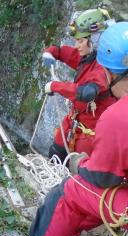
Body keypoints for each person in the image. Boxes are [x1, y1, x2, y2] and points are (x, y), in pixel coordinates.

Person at [0, 22, 128, 236]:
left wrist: (80, 163)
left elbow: (100, 177)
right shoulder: (95, 69)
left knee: (71, 190)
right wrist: (53, 51)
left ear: (109, 72)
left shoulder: (122, 116)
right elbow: (72, 54)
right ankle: (58, 233)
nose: (77, 45)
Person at [43, 8, 117, 162]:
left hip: (90, 133)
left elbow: (87, 92)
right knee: (56, 154)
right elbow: (68, 53)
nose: (77, 45)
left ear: (96, 39)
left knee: (76, 169)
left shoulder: (104, 68)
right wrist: (52, 52)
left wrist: (56, 86)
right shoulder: (90, 57)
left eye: (81, 40)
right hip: (74, 122)